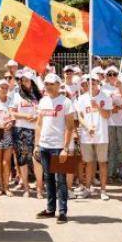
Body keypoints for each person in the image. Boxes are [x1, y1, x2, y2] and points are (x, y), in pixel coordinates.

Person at [35, 73, 75, 224]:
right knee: (48, 179)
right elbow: (38, 124)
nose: (49, 87)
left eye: (52, 84)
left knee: (61, 180)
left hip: (59, 147)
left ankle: (63, 212)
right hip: (44, 145)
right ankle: (50, 209)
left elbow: (70, 127)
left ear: (59, 85)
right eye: (47, 84)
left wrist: (65, 148)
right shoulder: (43, 101)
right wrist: (37, 145)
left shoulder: (66, 102)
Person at [76, 73, 113, 200]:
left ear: (98, 83)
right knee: (88, 163)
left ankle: (103, 190)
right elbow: (80, 116)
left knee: (102, 162)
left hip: (101, 135)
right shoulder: (82, 98)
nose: (91, 83)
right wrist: (87, 126)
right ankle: (87, 188)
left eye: (94, 81)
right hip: (87, 136)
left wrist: (97, 106)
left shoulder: (105, 97)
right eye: (89, 81)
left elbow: (107, 115)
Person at [10, 69, 43, 198]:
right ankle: (26, 189)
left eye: (27, 80)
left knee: (37, 159)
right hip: (21, 129)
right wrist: (24, 116)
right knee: (23, 160)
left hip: (37, 130)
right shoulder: (17, 95)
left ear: (32, 81)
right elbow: (12, 112)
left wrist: (37, 118)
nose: (24, 83)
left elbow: (43, 112)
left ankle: (39, 189)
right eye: (22, 80)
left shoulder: (39, 96)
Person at [102, 66, 122, 186]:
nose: (112, 76)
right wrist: (110, 108)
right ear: (107, 76)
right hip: (109, 123)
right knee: (111, 149)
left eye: (114, 74)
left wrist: (119, 107)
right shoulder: (103, 88)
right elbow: (101, 104)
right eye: (110, 74)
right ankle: (110, 174)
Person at [0, 79, 16, 195]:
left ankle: (6, 187)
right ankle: (1, 187)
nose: (4, 89)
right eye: (2, 87)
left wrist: (11, 123)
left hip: (7, 134)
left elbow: (12, 115)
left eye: (6, 88)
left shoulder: (10, 101)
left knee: (6, 162)